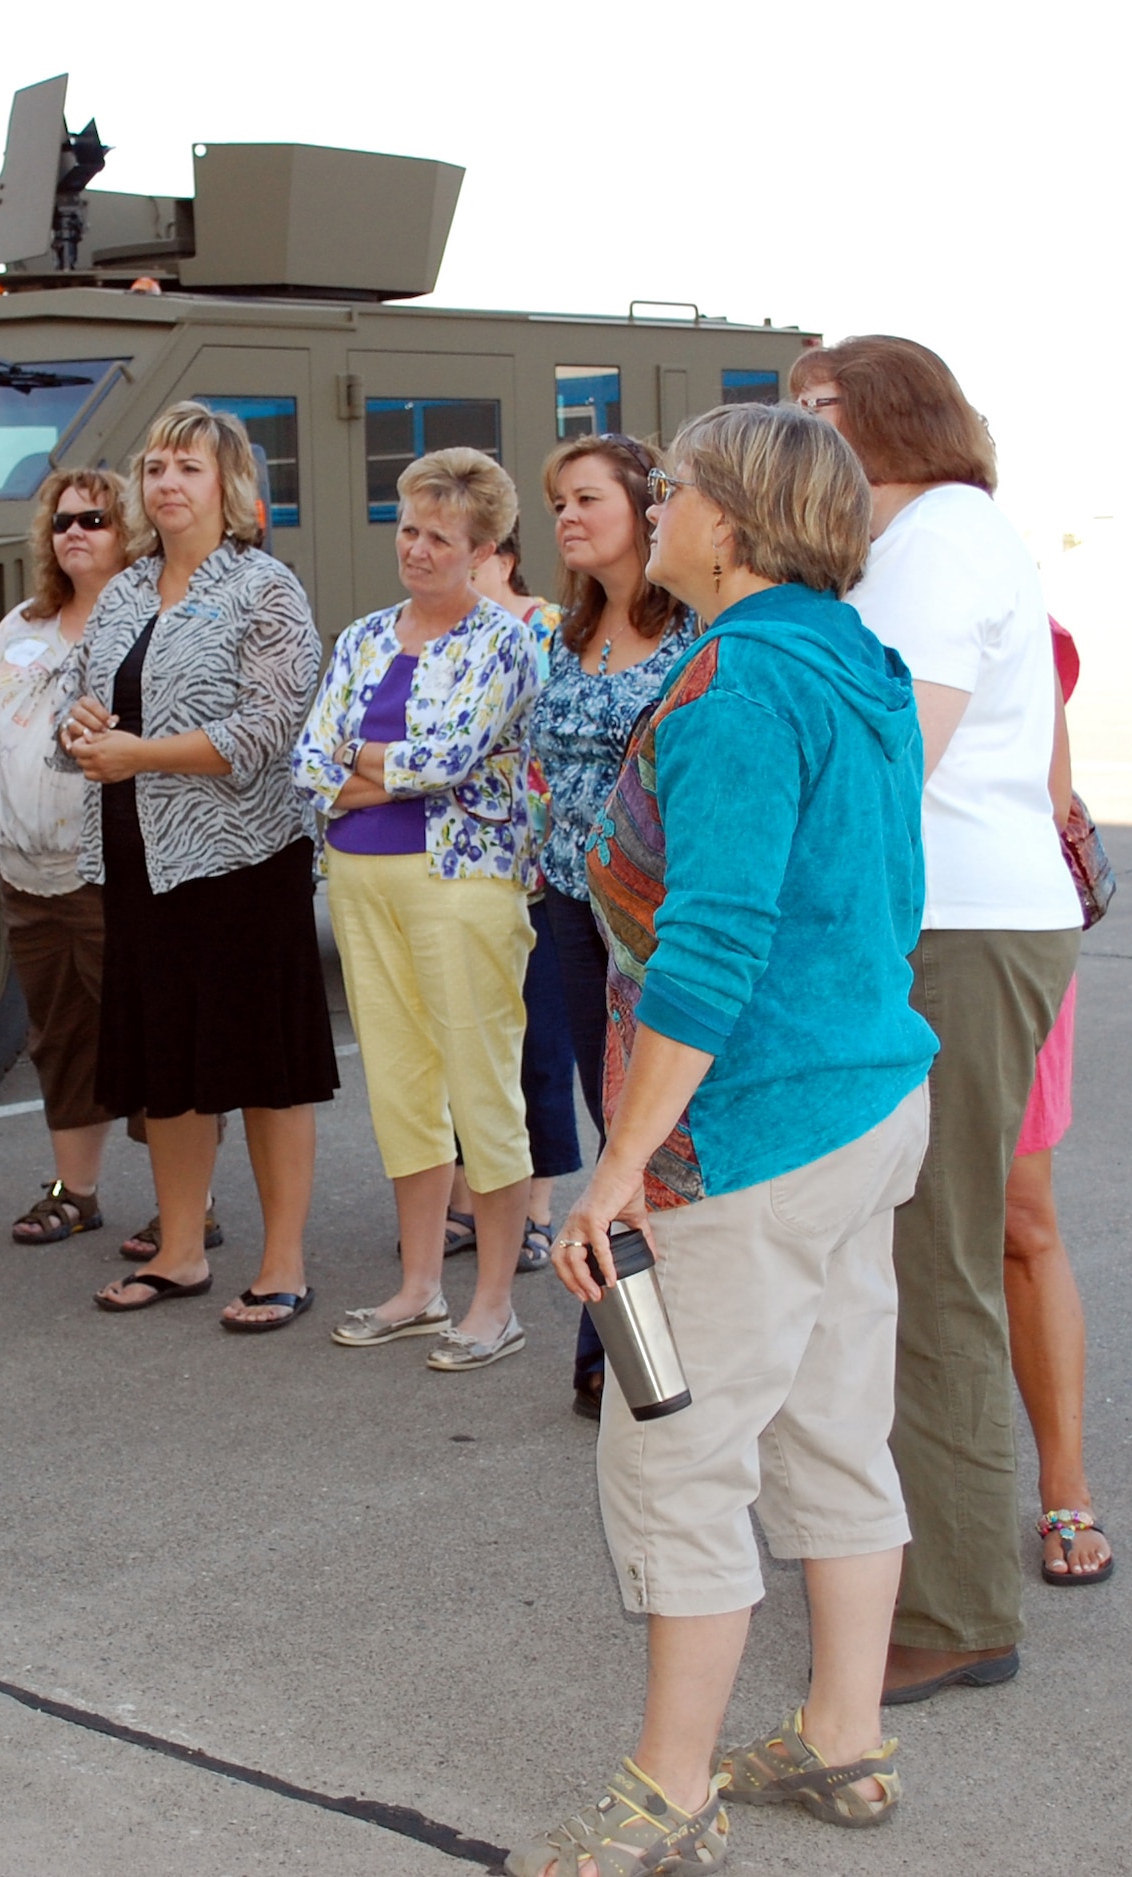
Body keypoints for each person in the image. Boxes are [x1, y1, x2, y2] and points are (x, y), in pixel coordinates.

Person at [513, 403, 938, 1876]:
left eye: (675, 487)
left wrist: (616, 1171)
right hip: (864, 1106)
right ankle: (839, 1736)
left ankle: (672, 1789)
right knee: (832, 1421)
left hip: (747, 1142)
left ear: (732, 526)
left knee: (675, 1450)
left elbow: (708, 951)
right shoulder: (853, 662)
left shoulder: (742, 684)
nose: (658, 501)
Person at [793, 337, 1082, 1703]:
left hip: (957, 926)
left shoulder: (938, 541)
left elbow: (893, 753)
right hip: (958, 919)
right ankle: (927, 1573)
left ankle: (958, 1604)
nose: (802, 433)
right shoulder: (927, 540)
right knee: (915, 1258)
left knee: (938, 1262)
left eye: (820, 410)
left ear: (888, 421)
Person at [58, 402, 337, 1330]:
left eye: (188, 467)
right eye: (156, 467)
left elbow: (267, 731)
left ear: (230, 487)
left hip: (243, 863)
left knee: (266, 1066)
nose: (167, 483)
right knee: (167, 1064)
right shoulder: (127, 591)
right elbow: (84, 704)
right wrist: (84, 729)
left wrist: (140, 754)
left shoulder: (265, 588)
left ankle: (284, 1263)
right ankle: (179, 1253)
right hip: (141, 865)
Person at [295, 447, 541, 1372]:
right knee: (399, 1085)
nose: (420, 549)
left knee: (481, 1082)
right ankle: (418, 1286)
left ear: (482, 550)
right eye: (409, 529)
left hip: (463, 885)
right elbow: (308, 761)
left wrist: (367, 770)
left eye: (442, 537)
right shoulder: (360, 637)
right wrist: (380, 774)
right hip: (360, 880)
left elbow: (446, 756)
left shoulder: (507, 642)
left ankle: (494, 1303)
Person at [527, 434, 697, 1417]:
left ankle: (620, 1340)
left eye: (584, 498)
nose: (565, 518)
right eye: (556, 503)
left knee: (647, 1132)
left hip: (653, 925)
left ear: (645, 508)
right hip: (567, 911)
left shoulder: (693, 635)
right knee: (609, 1127)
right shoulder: (566, 631)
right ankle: (618, 1324)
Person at [0, 467, 132, 1243]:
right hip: (26, 870)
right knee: (59, 1037)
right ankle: (77, 1189)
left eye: (96, 520)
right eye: (65, 520)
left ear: (128, 531)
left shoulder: (147, 619)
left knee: (144, 1032)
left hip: (113, 871)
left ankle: (187, 1200)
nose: (76, 531)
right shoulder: (23, 623)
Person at [1005, 617, 1111, 1584]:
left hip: (998, 933)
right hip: (863, 947)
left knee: (1023, 1220)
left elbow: (1048, 794)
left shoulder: (1009, 614)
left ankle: (1064, 1484)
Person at [458, 529, 572, 1276]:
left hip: (544, 874)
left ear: (501, 555)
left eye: (463, 549)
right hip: (470, 869)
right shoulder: (448, 635)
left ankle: (536, 1206)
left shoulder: (551, 628)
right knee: (469, 1045)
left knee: (540, 1048)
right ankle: (471, 1199)